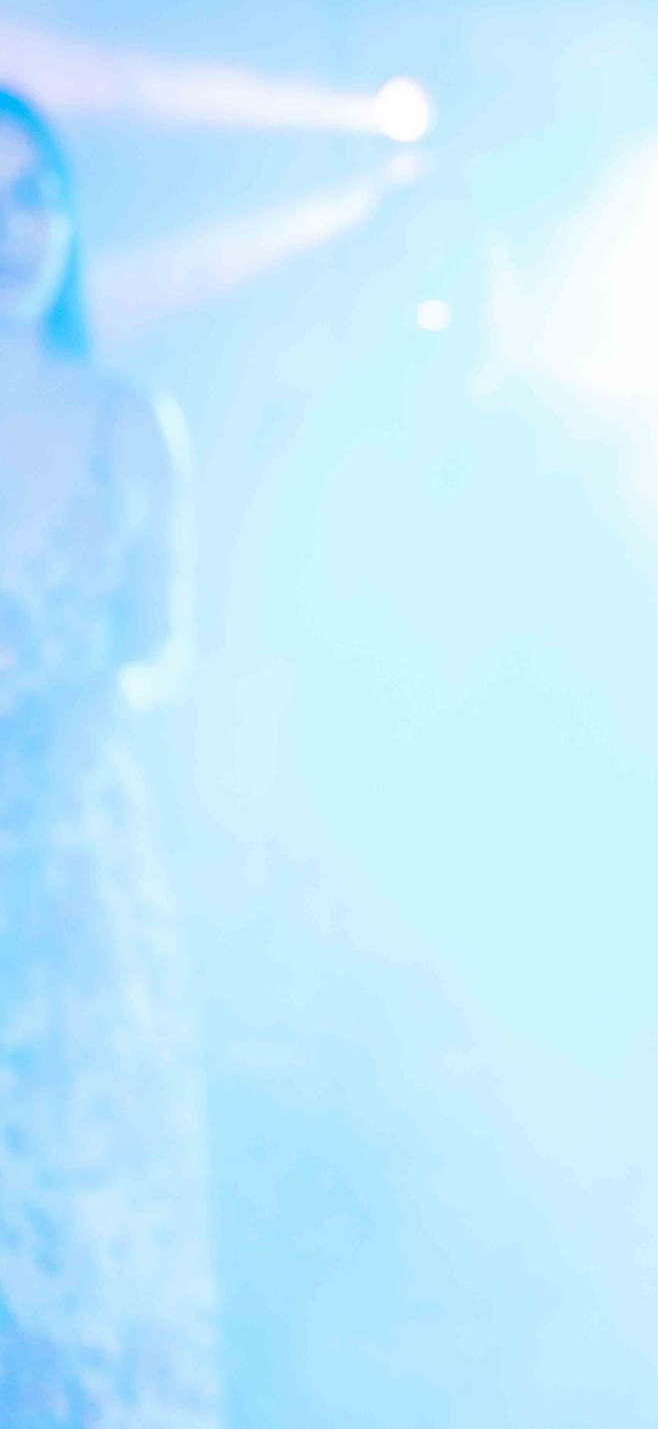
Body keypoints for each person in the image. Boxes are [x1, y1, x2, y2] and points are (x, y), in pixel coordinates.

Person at [0, 91, 217, 1427]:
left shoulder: (131, 422)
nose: (15, 228)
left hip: (77, 886)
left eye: (34, 194)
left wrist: (70, 709)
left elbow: (163, 652)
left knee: (95, 1249)